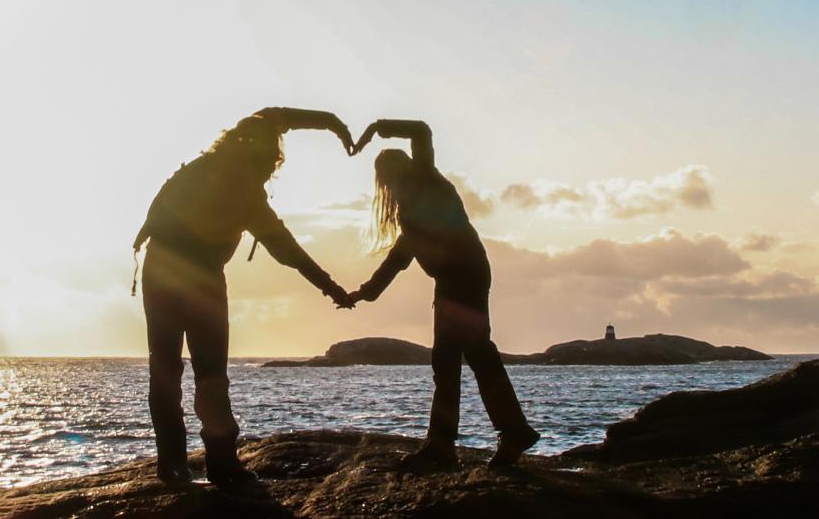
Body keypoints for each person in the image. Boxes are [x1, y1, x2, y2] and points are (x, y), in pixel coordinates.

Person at [132, 107, 357, 487]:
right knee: (211, 375)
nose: (272, 168)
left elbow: (275, 115)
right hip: (198, 278)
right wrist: (331, 286)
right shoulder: (245, 192)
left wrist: (332, 124)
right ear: (258, 157)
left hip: (159, 270)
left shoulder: (203, 166)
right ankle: (220, 463)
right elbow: (287, 250)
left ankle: (171, 464)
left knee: (165, 369)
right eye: (271, 161)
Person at [349, 119, 539, 470]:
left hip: (463, 278)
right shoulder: (410, 210)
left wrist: (378, 127)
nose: (388, 182)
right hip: (457, 279)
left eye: (388, 175)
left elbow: (421, 130)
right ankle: (504, 433)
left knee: (457, 360)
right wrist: (365, 292)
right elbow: (399, 257)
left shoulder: (425, 178)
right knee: (465, 358)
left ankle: (452, 445)